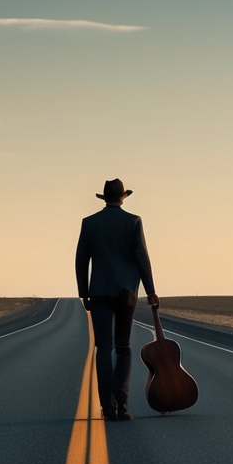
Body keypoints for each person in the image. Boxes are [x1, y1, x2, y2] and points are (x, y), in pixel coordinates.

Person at [75, 178, 159, 421]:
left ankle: (107, 407)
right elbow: (142, 257)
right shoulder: (133, 221)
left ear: (104, 198)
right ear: (123, 197)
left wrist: (84, 292)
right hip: (126, 294)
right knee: (123, 348)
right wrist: (151, 290)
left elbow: (81, 260)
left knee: (103, 348)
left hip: (99, 292)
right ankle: (122, 405)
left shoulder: (89, 223)